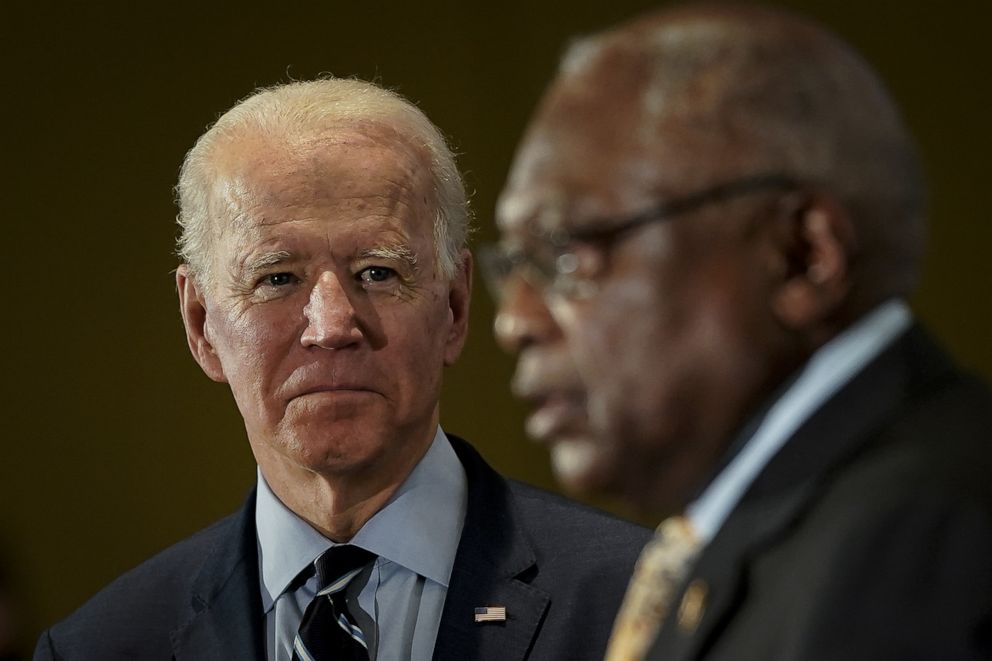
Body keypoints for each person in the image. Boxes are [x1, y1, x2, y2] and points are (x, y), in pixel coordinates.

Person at [35, 78, 651, 661]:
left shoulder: (639, 608)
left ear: (455, 308)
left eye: (378, 272)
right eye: (277, 278)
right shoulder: (100, 646)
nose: (331, 327)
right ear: (201, 325)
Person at [487, 4, 992, 660]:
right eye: (514, 263)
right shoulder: (757, 537)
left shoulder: (922, 544)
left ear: (801, 255)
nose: (514, 321)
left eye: (567, 253)